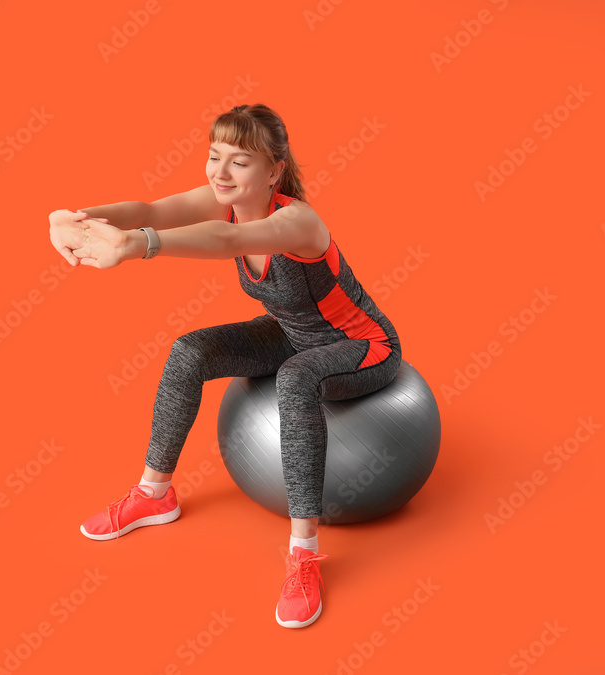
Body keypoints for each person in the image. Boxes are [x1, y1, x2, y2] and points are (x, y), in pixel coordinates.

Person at [47, 104, 401, 628]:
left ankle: (303, 556)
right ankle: (154, 493)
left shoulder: (297, 220)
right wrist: (70, 219)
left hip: (362, 344)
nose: (220, 172)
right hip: (294, 335)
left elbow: (229, 242)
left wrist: (138, 247)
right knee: (190, 351)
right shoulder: (222, 201)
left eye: (239, 162)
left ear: (274, 170)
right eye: (214, 157)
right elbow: (147, 208)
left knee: (296, 379)